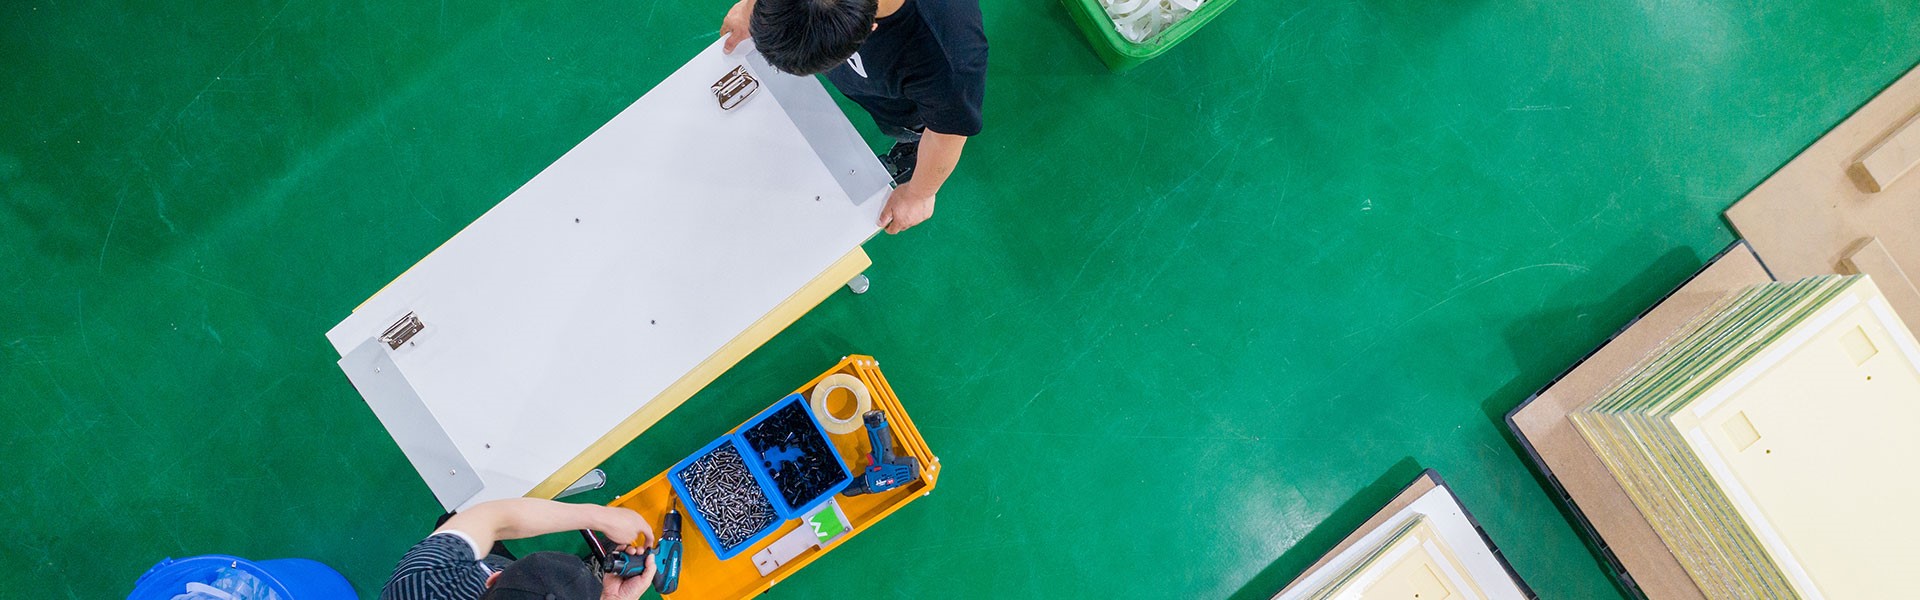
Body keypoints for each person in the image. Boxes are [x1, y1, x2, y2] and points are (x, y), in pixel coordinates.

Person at [721, 0, 987, 235]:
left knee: (910, 126)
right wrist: (755, 11)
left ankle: (909, 143)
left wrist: (919, 194)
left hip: (901, 105)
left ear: (870, 31)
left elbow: (946, 135)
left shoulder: (946, 58)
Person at [379, 498, 656, 600]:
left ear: (495, 578)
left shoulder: (423, 581)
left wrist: (597, 517)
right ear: (495, 575)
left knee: (453, 519)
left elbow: (493, 518)